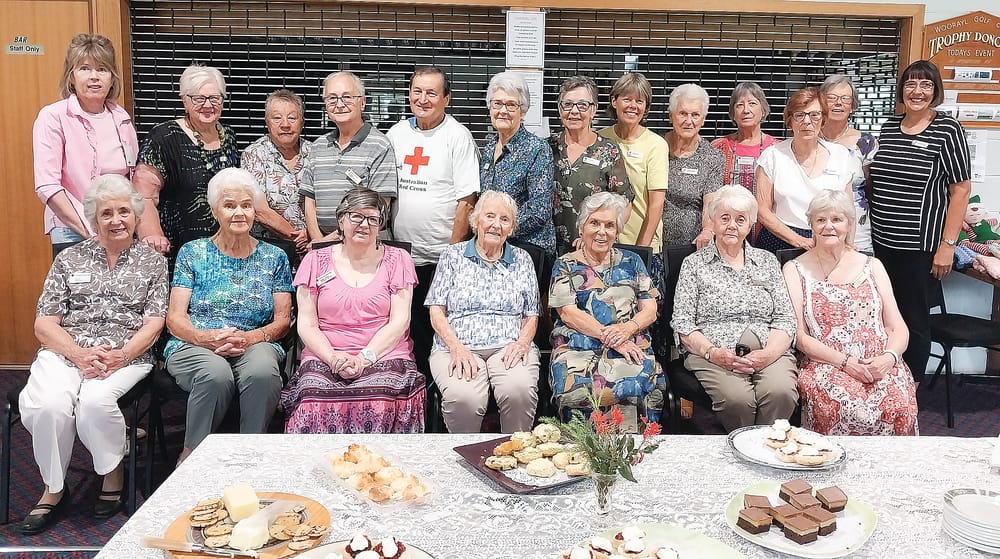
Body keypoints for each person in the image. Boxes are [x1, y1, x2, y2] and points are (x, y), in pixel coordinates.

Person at [19, 175, 167, 533]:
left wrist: (122, 355)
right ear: (94, 219)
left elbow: (154, 323)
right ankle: (54, 487)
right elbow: (44, 323)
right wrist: (78, 353)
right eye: (106, 213)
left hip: (125, 354)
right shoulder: (69, 259)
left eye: (123, 212)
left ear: (136, 215)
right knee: (49, 405)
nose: (116, 220)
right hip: (66, 351)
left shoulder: (153, 263)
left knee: (94, 403)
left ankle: (112, 471)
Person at [165, 168, 293, 464]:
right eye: (229, 205)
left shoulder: (275, 257)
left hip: (255, 341)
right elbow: (175, 318)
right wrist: (205, 338)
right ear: (214, 211)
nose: (239, 213)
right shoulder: (192, 253)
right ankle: (193, 455)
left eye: (246, 205)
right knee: (215, 373)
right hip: (195, 342)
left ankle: (250, 453)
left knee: (263, 372)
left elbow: (282, 321)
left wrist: (247, 338)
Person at [281, 188, 425, 433]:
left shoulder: (398, 259)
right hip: (326, 353)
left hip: (384, 354)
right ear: (341, 220)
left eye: (373, 219)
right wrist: (333, 358)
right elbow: (307, 324)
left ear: (380, 225)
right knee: (313, 398)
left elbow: (400, 321)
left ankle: (377, 457)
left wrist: (363, 358)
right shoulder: (314, 261)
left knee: (380, 399)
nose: (364, 224)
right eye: (356, 216)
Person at [782, 189, 918, 435]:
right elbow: (799, 336)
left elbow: (897, 327)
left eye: (836, 219)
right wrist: (845, 363)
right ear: (811, 225)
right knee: (840, 406)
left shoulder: (872, 265)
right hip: (826, 362)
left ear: (849, 224)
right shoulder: (794, 269)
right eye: (821, 220)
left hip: (879, 360)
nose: (828, 226)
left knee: (899, 404)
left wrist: (888, 358)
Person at [869, 60, 971, 384]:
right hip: (881, 243)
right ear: (902, 89)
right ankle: (886, 383)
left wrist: (947, 246)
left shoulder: (947, 129)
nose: (917, 91)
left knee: (913, 320)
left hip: (920, 247)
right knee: (884, 316)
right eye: (911, 84)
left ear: (935, 91)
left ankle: (909, 393)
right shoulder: (888, 128)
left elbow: (961, 190)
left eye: (926, 84)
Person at [671, 185, 798, 432]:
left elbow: (784, 317)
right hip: (713, 351)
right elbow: (683, 322)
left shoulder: (767, 261)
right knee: (738, 400)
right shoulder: (694, 264)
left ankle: (764, 446)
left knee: (780, 392)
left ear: (750, 225)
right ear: (713, 220)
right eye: (725, 218)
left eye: (740, 219)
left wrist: (768, 354)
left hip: (768, 348)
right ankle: (741, 447)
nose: (732, 225)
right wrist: (712, 353)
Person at [388, 66, 480, 381]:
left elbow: (467, 200)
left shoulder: (457, 136)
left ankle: (438, 397)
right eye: (417, 91)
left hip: (441, 258)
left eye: (431, 93)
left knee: (439, 335)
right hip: (402, 257)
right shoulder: (396, 133)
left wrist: (452, 255)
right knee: (406, 334)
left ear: (446, 99)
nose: (423, 99)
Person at [425, 191, 540, 433]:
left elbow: (531, 314)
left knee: (519, 391)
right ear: (475, 220)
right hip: (457, 346)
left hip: (508, 346)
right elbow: (436, 309)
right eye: (489, 216)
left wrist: (522, 344)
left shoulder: (523, 259)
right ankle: (464, 453)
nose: (496, 225)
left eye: (504, 219)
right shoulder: (452, 256)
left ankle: (515, 450)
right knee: (464, 398)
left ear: (511, 228)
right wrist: (456, 348)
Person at [549, 192, 663, 428]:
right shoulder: (565, 264)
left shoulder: (632, 261)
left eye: (609, 225)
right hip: (578, 346)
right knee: (576, 389)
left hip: (630, 342)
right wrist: (611, 338)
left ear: (617, 230)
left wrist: (626, 329)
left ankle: (632, 443)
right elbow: (567, 313)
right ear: (581, 227)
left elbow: (650, 309)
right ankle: (582, 444)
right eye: (594, 223)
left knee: (639, 381)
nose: (602, 231)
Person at [32, 34, 138, 257]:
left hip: (119, 230)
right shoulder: (53, 116)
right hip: (73, 230)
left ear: (112, 78)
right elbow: (47, 186)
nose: (94, 77)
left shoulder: (121, 117)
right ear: (71, 77)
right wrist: (93, 231)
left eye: (102, 69)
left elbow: (132, 177)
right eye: (84, 69)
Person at [133, 64, 240, 263]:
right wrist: (153, 235)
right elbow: (143, 196)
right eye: (199, 98)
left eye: (215, 98)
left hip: (225, 250)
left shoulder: (229, 137)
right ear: (185, 100)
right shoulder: (164, 138)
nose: (207, 105)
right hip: (179, 251)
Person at [300, 71, 398, 244]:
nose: (339, 104)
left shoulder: (380, 146)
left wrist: (329, 241)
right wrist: (317, 240)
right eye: (332, 98)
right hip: (321, 243)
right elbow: (309, 200)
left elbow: (379, 206)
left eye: (347, 97)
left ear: (363, 102)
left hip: (363, 243)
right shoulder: (318, 146)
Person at [755, 86, 853, 253]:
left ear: (823, 119)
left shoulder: (840, 155)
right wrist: (798, 240)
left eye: (814, 115)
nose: (807, 121)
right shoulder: (772, 156)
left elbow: (848, 210)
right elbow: (762, 210)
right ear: (790, 120)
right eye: (799, 115)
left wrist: (847, 245)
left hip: (829, 239)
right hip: (780, 241)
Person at [548, 75, 631, 255]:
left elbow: (624, 203)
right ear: (560, 108)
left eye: (582, 105)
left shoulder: (608, 150)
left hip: (592, 251)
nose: (574, 111)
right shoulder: (547, 148)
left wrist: (599, 237)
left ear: (593, 110)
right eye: (567, 104)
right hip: (549, 249)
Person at [480, 71, 556, 258]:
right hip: (491, 245)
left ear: (523, 111)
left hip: (527, 249)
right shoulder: (488, 149)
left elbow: (539, 210)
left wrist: (498, 229)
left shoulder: (537, 149)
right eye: (497, 103)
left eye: (511, 105)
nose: (503, 111)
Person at [599, 73, 668, 259]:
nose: (633, 106)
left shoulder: (656, 145)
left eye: (639, 101)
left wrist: (640, 251)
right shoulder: (600, 138)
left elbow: (656, 204)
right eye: (627, 99)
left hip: (641, 243)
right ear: (614, 101)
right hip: (602, 243)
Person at [240, 89, 312, 268]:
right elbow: (260, 210)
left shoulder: (316, 153)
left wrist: (312, 235)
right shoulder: (254, 155)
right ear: (267, 122)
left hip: (314, 249)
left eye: (292, 118)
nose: (285, 124)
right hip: (270, 252)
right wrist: (298, 238)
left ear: (302, 122)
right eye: (277, 118)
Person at [819, 74, 878, 255]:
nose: (839, 103)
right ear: (821, 102)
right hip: (816, 226)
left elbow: (871, 188)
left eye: (845, 98)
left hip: (857, 229)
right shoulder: (809, 138)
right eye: (832, 98)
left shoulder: (866, 143)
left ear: (852, 106)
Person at [662, 83, 725, 248]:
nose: (688, 121)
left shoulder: (713, 157)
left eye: (695, 115)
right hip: (654, 240)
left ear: (703, 120)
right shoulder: (657, 148)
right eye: (682, 113)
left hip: (693, 243)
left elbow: (711, 202)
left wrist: (708, 230)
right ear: (671, 116)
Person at [711, 81, 779, 194]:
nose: (746, 110)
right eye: (740, 105)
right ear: (733, 113)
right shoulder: (719, 147)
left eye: (752, 103)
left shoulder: (777, 149)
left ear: (763, 110)